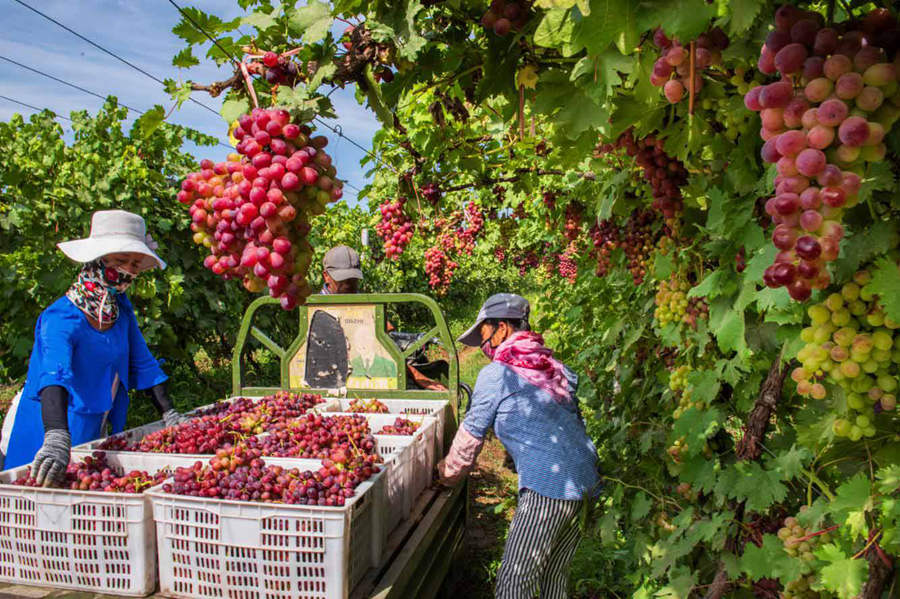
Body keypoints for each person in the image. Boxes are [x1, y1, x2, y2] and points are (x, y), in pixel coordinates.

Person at [0, 210, 187, 484]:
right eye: (122, 260)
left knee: (78, 490)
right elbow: (54, 376)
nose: (129, 270)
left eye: (135, 263)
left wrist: (170, 413)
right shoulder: (61, 318)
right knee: (33, 491)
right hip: (46, 421)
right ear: (97, 260)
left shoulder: (119, 309)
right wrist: (55, 436)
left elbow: (143, 362)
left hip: (92, 418)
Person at [437, 293, 600, 599]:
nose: (483, 345)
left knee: (514, 582)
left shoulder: (498, 374)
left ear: (502, 329)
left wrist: (445, 474)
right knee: (554, 577)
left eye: (484, 334)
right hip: (585, 483)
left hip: (549, 489)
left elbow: (471, 435)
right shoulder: (549, 365)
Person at [318, 245, 446, 391]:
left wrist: (419, 377)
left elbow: (386, 337)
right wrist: (417, 377)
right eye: (343, 279)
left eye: (353, 278)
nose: (350, 284)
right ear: (326, 276)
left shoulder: (358, 300)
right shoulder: (316, 312)